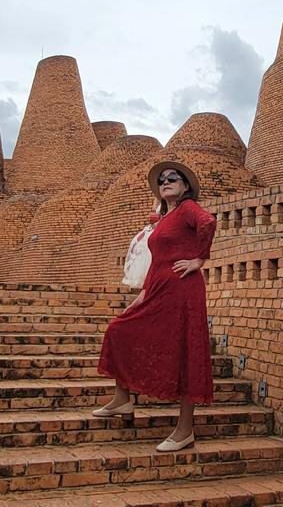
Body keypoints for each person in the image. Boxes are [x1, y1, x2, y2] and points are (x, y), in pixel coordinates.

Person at [94, 160, 217, 452]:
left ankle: (185, 430)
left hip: (182, 290)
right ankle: (122, 398)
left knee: (186, 352)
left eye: (173, 177)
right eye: (162, 179)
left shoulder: (188, 209)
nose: (166, 181)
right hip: (159, 288)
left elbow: (208, 222)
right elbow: (156, 260)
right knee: (119, 329)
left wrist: (199, 260)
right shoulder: (164, 219)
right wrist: (142, 295)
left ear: (186, 186)